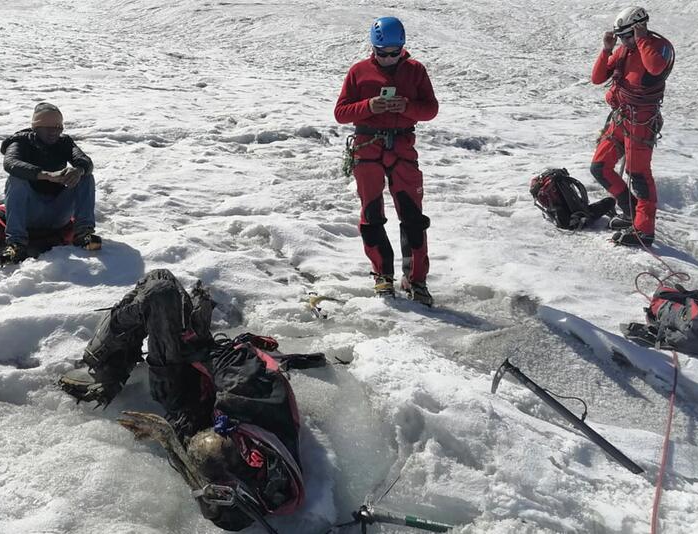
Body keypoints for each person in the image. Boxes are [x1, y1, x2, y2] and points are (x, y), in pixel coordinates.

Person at [58, 270, 320, 532]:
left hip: (181, 395)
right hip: (205, 375)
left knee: (159, 290)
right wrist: (191, 338)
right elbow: (225, 358)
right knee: (164, 284)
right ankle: (114, 358)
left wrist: (167, 435)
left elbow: (199, 472)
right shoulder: (248, 393)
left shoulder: (235, 496)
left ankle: (104, 368)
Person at [334, 16, 439, 306]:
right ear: (374, 47)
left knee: (413, 217)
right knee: (371, 213)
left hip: (403, 148)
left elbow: (430, 109)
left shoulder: (416, 70)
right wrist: (369, 106)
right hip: (368, 149)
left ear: (403, 48)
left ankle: (416, 279)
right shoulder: (359, 72)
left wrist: (407, 107)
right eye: (383, 53)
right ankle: (383, 275)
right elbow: (341, 113)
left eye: (395, 52)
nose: (390, 58)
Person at [590, 6, 674, 247]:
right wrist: (607, 49)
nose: (624, 41)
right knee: (599, 167)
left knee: (638, 176)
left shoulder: (657, 48)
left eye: (627, 36)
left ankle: (644, 230)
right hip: (621, 118)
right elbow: (598, 78)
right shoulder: (624, 51)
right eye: (622, 37)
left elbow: (655, 68)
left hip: (641, 122)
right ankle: (632, 213)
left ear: (640, 27)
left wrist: (642, 39)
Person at [0, 103, 100, 263]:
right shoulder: (20, 142)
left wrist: (78, 170)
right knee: (16, 178)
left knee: (85, 176)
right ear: (36, 127)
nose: (54, 132)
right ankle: (15, 243)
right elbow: (10, 163)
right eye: (48, 127)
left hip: (58, 212)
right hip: (29, 214)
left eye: (58, 127)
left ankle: (84, 234)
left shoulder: (64, 142)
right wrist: (45, 175)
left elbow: (85, 161)